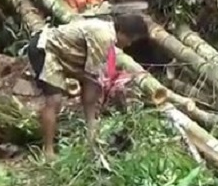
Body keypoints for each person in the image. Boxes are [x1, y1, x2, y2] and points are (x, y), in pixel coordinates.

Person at [26, 14, 148, 158]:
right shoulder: (103, 36)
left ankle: (92, 137)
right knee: (54, 100)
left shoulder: (107, 35)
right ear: (122, 32)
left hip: (64, 54)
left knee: (92, 89)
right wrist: (111, 90)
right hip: (45, 49)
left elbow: (97, 75)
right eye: (130, 39)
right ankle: (48, 151)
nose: (128, 44)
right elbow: (94, 74)